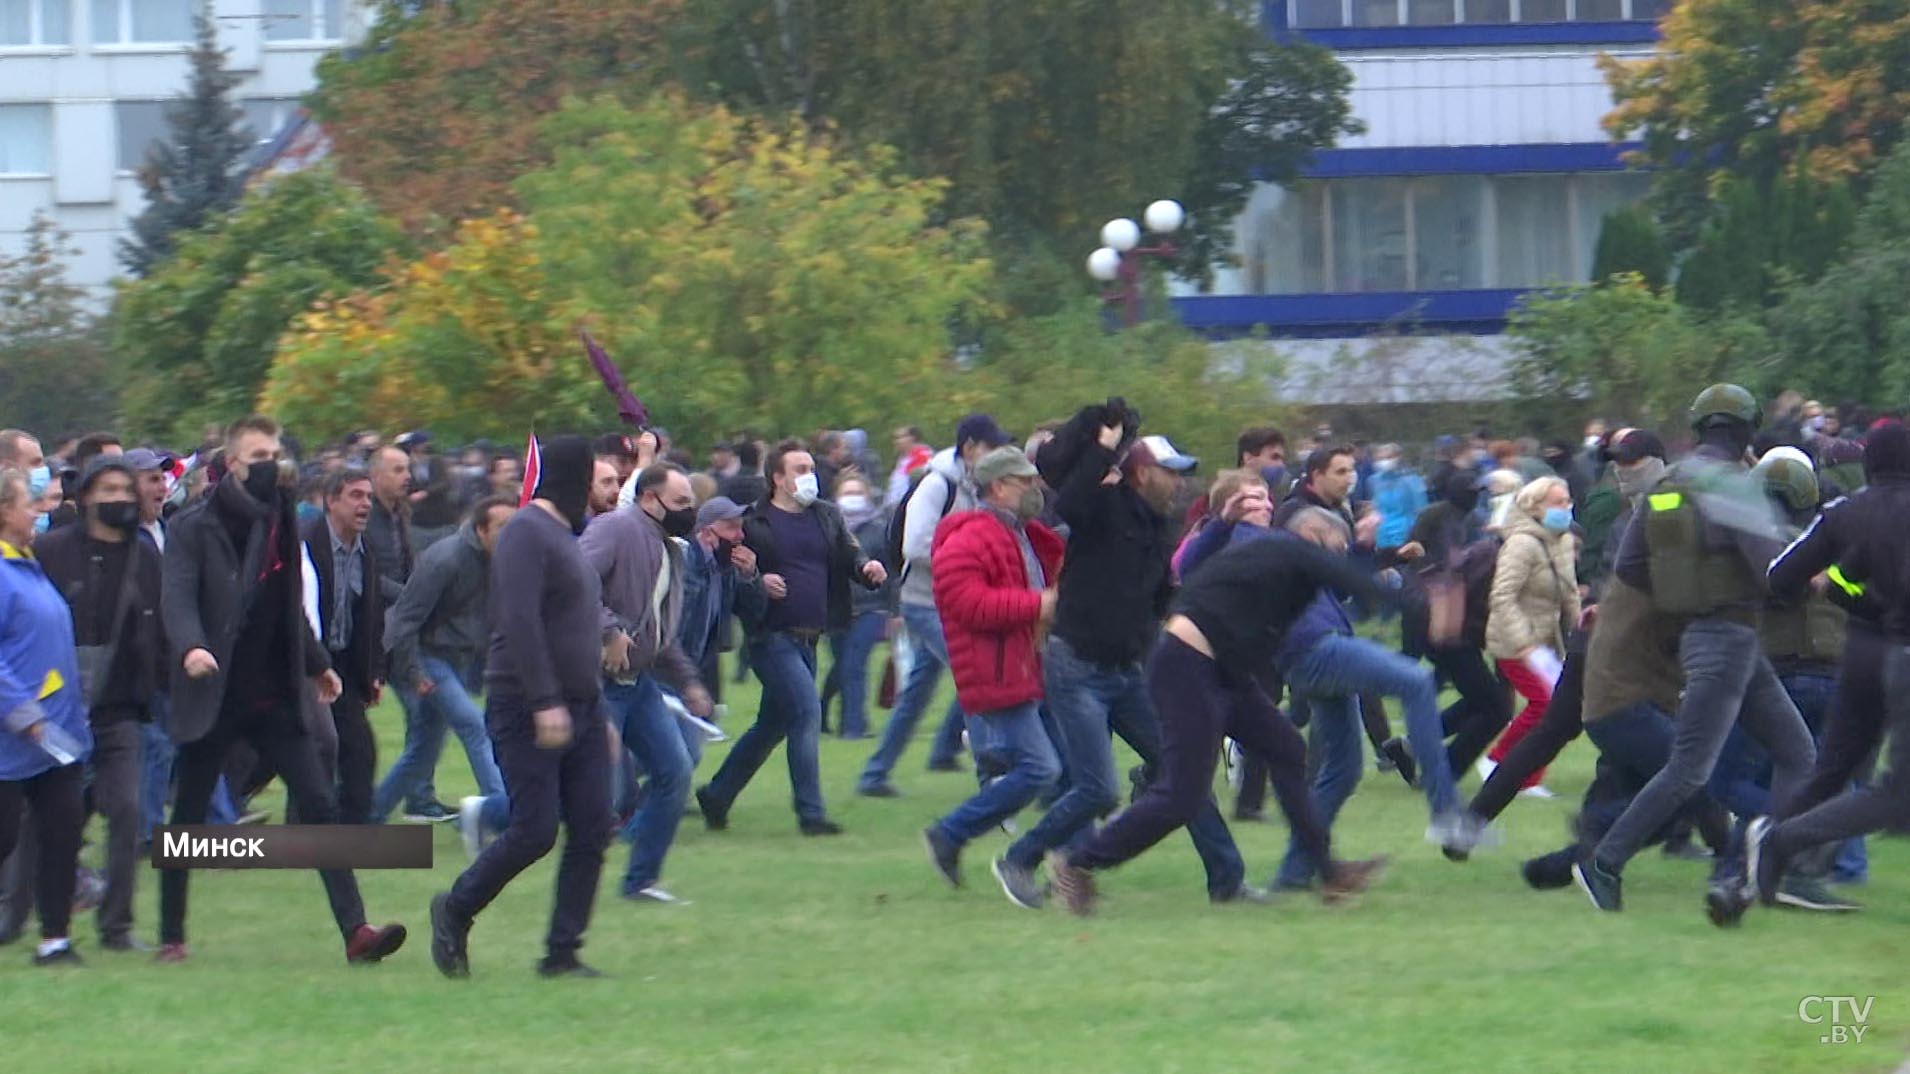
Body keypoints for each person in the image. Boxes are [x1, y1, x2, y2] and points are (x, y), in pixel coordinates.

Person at [1046, 507, 1391, 916]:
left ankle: (1327, 872)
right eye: (1336, 548)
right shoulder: (1285, 551)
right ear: (1312, 536)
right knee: (1182, 794)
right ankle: (1077, 863)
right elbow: (1353, 581)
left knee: (1286, 748)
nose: (1337, 558)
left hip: (1223, 670)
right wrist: (1408, 600)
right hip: (1187, 668)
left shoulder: (1276, 568)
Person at [158, 416, 406, 963]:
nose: (273, 462)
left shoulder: (281, 520)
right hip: (214, 692)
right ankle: (171, 936)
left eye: (275, 451)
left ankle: (357, 932)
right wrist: (191, 647)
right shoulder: (193, 527)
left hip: (274, 695)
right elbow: (177, 599)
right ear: (233, 465)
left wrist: (318, 665)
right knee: (190, 817)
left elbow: (288, 602)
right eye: (259, 455)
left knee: (320, 803)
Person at [1576, 385, 1816, 914]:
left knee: (1798, 752)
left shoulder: (1673, 480)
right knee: (1690, 770)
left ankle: (1770, 867)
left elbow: (1633, 568)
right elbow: (1773, 572)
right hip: (1728, 641)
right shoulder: (1736, 487)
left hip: (1715, 638)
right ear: (1748, 430)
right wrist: (1816, 572)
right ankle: (1605, 861)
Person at [1005, 408, 1253, 905]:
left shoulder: (1158, 527)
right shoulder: (1103, 508)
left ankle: (1228, 880)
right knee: (1098, 789)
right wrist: (1101, 446)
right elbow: (1070, 500)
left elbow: (1162, 597)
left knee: (1184, 775)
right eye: (1171, 472)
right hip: (1076, 667)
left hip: (1128, 670)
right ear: (1141, 472)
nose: (1180, 483)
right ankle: (1019, 859)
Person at [430, 435, 614, 979]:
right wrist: (545, 701)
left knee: (594, 825)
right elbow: (519, 621)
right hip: (528, 705)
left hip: (581, 707)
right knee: (535, 830)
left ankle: (562, 953)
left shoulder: (563, 536)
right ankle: (456, 907)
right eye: (591, 479)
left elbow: (575, 627)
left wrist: (595, 713)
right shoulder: (525, 533)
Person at [1739, 420, 1910, 923]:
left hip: (1858, 655)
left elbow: (1782, 576)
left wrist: (1848, 595)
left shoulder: (1845, 511)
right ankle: (1778, 840)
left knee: (1830, 772)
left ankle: (1751, 875)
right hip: (1901, 655)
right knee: (1897, 795)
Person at [698, 441, 886, 835]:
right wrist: (757, 579)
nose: (809, 475)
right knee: (806, 712)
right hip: (771, 636)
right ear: (777, 479)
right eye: (799, 469)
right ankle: (811, 814)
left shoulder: (826, 515)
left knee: (772, 725)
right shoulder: (754, 523)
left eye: (810, 467)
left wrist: (865, 566)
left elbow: (847, 553)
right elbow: (729, 577)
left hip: (809, 637)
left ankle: (717, 794)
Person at [920, 447, 1064, 895]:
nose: (1035, 490)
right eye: (1026, 483)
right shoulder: (970, 536)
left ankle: (1057, 861)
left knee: (1061, 772)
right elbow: (968, 604)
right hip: (997, 669)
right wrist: (1038, 605)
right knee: (1042, 770)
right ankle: (951, 833)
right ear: (999, 487)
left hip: (1021, 663)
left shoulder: (1017, 532)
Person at [35, 456, 162, 953]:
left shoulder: (146, 555)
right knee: (42, 822)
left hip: (119, 707)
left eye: (127, 491)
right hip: (56, 708)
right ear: (85, 496)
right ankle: (20, 913)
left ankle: (117, 926)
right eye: (110, 489)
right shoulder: (49, 551)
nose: (122, 500)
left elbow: (162, 625)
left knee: (128, 810)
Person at [582, 462, 714, 904]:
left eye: (690, 503)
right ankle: (491, 813)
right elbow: (575, 584)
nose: (688, 511)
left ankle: (640, 881)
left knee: (675, 770)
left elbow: (657, 629)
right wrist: (608, 631)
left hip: (637, 684)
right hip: (595, 680)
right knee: (599, 790)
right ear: (648, 499)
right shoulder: (615, 529)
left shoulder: (669, 549)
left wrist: (689, 682)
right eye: (680, 503)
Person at [858, 414, 1009, 796]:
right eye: (993, 447)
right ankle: (990, 778)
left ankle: (875, 775)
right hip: (924, 600)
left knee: (918, 692)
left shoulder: (976, 487)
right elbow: (914, 545)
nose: (999, 455)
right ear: (971, 447)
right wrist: (971, 557)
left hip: (953, 602)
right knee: (975, 675)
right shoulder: (937, 485)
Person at [0, 465, 93, 965]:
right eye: (25, 502)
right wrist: (22, 713)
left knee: (62, 831)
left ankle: (55, 940)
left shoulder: (27, 564)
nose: (37, 509)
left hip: (56, 736)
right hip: (14, 738)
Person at [379, 496, 515, 828]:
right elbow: (404, 620)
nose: (511, 534)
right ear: (481, 529)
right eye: (503, 527)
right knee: (474, 725)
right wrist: (413, 671)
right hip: (429, 658)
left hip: (456, 660)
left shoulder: (500, 559)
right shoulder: (445, 559)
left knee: (422, 750)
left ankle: (369, 813)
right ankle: (500, 814)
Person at [1479, 477, 1580, 799]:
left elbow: (1569, 591)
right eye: (1557, 502)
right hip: (1514, 641)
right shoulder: (1521, 544)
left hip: (1548, 641)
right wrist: (1523, 642)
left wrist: (1579, 627)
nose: (1565, 507)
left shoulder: (1562, 541)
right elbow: (1502, 596)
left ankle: (1528, 775)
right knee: (1544, 705)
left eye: (1567, 500)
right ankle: (1499, 762)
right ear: (1534, 507)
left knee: (1559, 710)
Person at [301, 469, 386, 826]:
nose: (365, 504)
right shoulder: (305, 543)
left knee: (358, 749)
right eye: (355, 495)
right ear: (330, 501)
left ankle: (354, 826)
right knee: (313, 746)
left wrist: (375, 672)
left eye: (368, 496)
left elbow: (372, 616)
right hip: (304, 660)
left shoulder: (366, 550)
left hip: (345, 665)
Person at [819, 474, 890, 740]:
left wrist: (894, 610)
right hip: (834, 609)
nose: (853, 497)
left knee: (854, 665)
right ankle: (822, 708)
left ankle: (853, 726)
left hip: (871, 607)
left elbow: (891, 571)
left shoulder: (877, 529)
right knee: (842, 666)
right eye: (847, 491)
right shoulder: (825, 527)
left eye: (858, 491)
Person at [1367, 443, 1427, 562]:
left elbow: (1421, 509)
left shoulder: (1411, 481)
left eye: (1388, 457)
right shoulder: (1374, 481)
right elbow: (1375, 506)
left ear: (1398, 457)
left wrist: (1417, 537)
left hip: (1405, 536)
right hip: (1381, 537)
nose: (1384, 461)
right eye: (1380, 458)